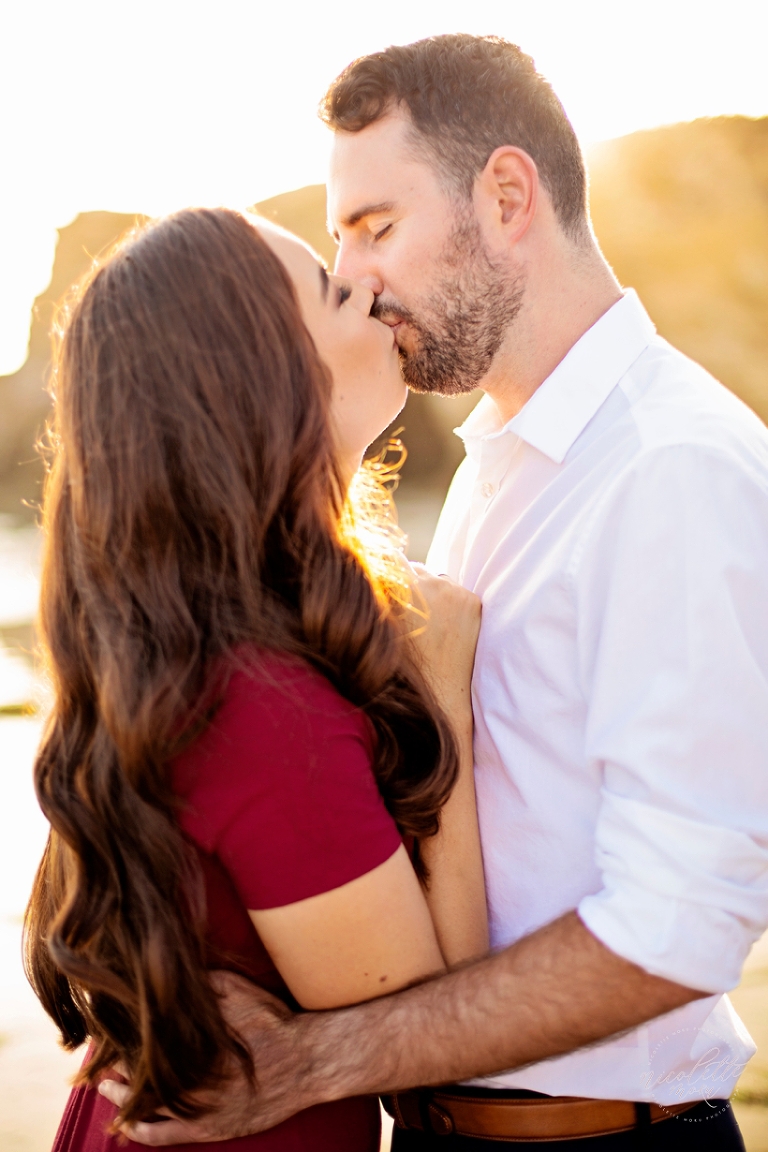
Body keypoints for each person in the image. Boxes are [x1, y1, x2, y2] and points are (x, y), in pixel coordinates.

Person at [104, 34, 768, 1151]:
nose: (357, 277)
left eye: (377, 227)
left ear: (508, 196)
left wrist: (319, 1060)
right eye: (338, 241)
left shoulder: (674, 468)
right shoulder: (501, 464)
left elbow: (681, 929)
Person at [23, 205, 488, 1152]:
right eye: (329, 287)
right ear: (266, 378)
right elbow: (440, 1043)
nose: (365, 287)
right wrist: (447, 701)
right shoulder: (261, 708)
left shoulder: (211, 651)